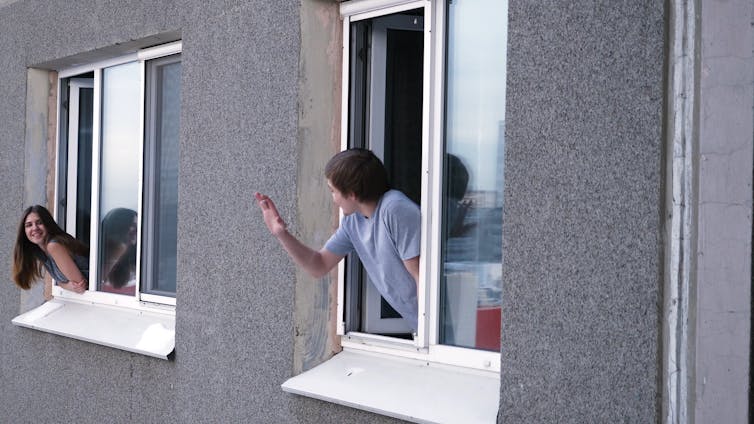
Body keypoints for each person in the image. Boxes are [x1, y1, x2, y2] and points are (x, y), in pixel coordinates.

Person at [255, 148, 421, 331]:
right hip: (421, 328)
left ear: (351, 194)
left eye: (333, 191)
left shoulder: (394, 208)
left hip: (440, 330)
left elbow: (420, 275)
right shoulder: (353, 222)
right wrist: (281, 234)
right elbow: (318, 265)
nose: (333, 199)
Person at [12, 205, 89, 294]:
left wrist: (64, 285)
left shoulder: (54, 245)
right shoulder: (41, 251)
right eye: (29, 225)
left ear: (48, 224)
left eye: (39, 222)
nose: (35, 228)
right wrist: (64, 285)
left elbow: (80, 286)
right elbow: (60, 282)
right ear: (24, 231)